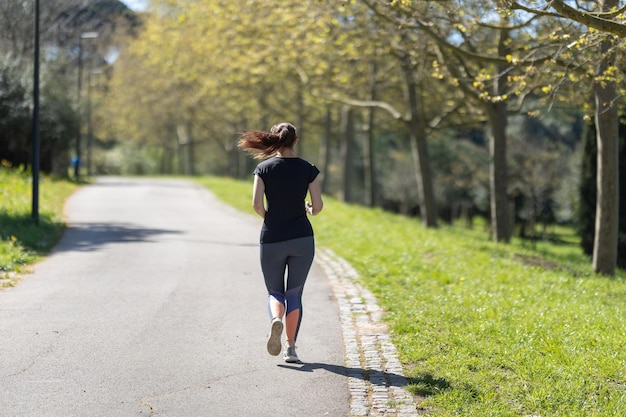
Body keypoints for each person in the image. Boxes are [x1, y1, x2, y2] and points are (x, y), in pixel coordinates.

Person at [238, 122, 323, 363]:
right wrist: (307, 209)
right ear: (295, 141)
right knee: (294, 293)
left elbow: (256, 205)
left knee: (275, 291)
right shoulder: (308, 169)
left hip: (272, 238)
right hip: (302, 239)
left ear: (276, 139)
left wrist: (273, 219)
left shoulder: (263, 168)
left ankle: (276, 319)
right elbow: (317, 207)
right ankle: (291, 347)